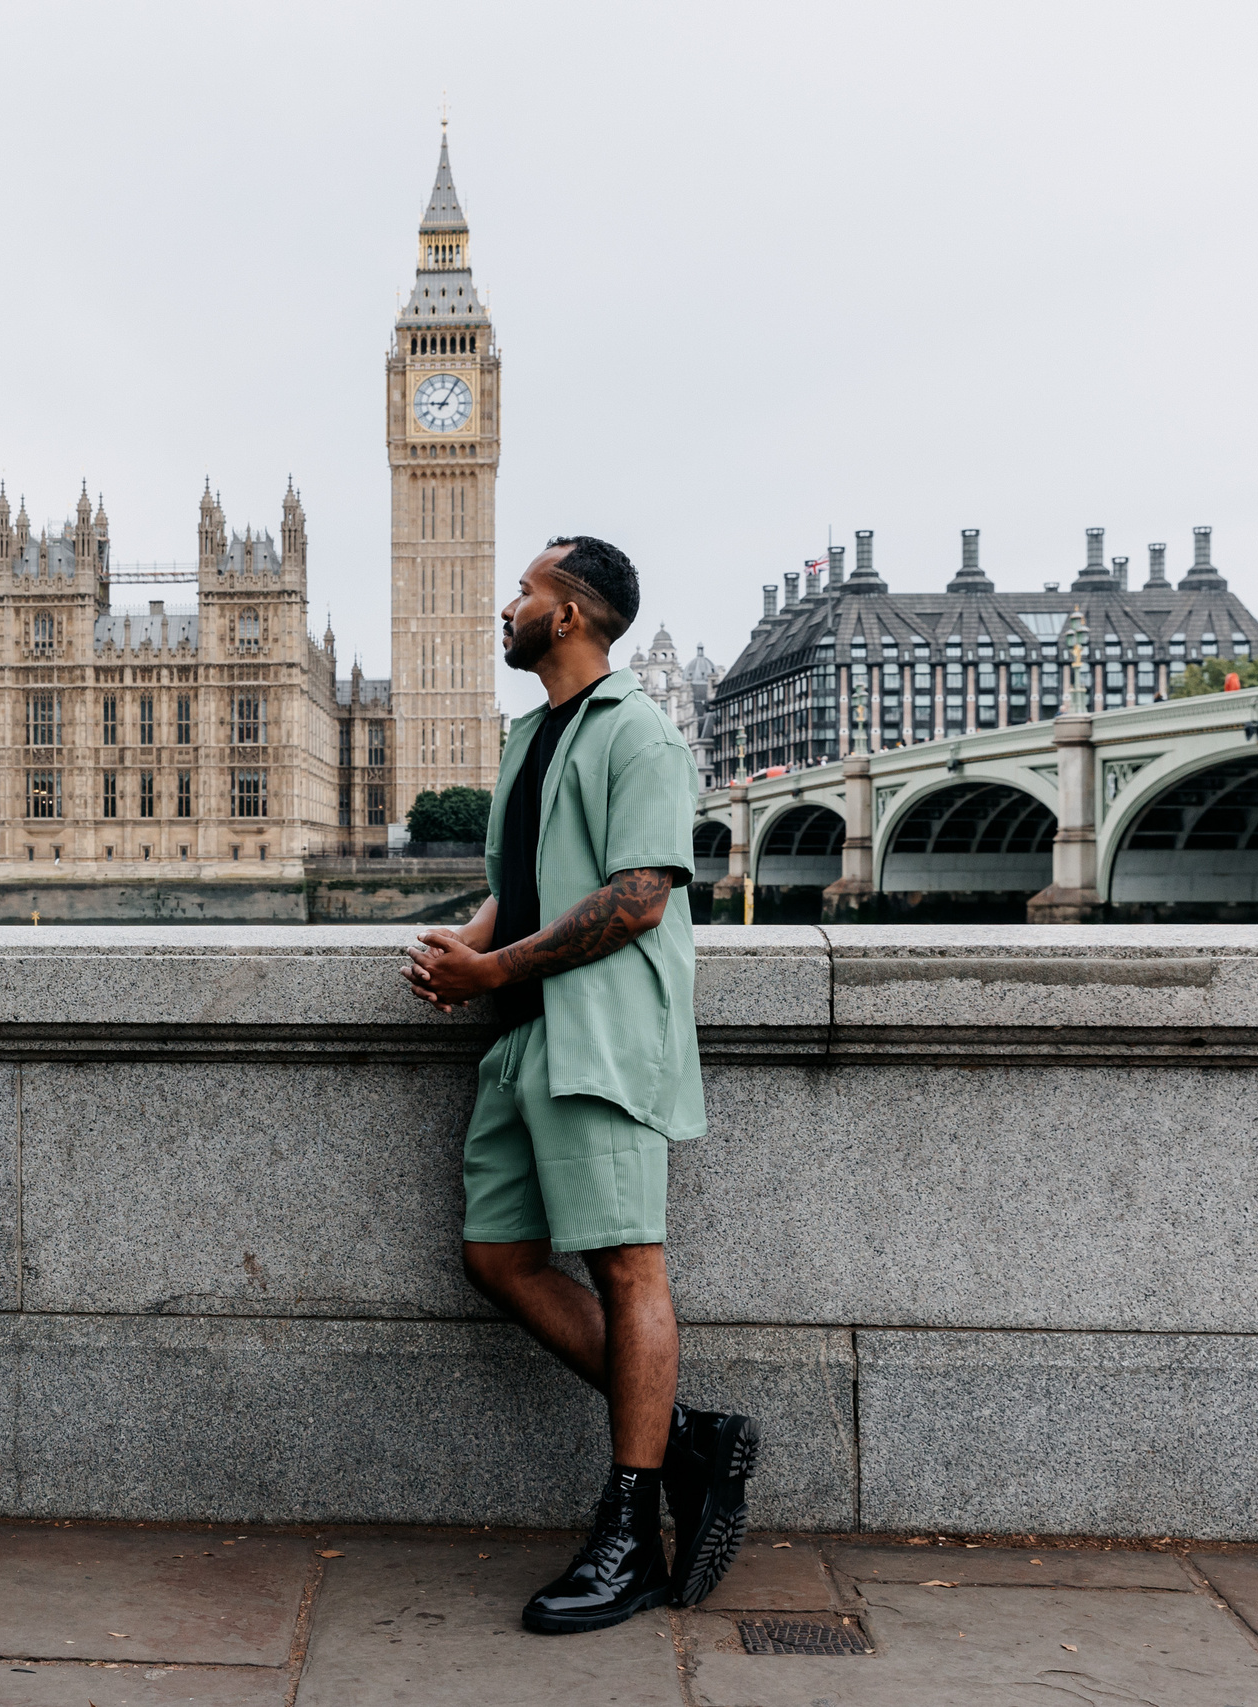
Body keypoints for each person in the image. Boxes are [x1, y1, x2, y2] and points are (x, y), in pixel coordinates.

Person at [403, 536, 758, 1635]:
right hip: (518, 1040)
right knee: (496, 1258)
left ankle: (629, 1533)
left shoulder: (638, 732)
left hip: (597, 1041)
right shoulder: (529, 738)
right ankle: (690, 1437)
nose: (504, 606)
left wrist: (494, 969)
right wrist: (462, 953)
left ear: (567, 614)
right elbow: (522, 890)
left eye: (524, 590)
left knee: (625, 1268)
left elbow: (637, 896)